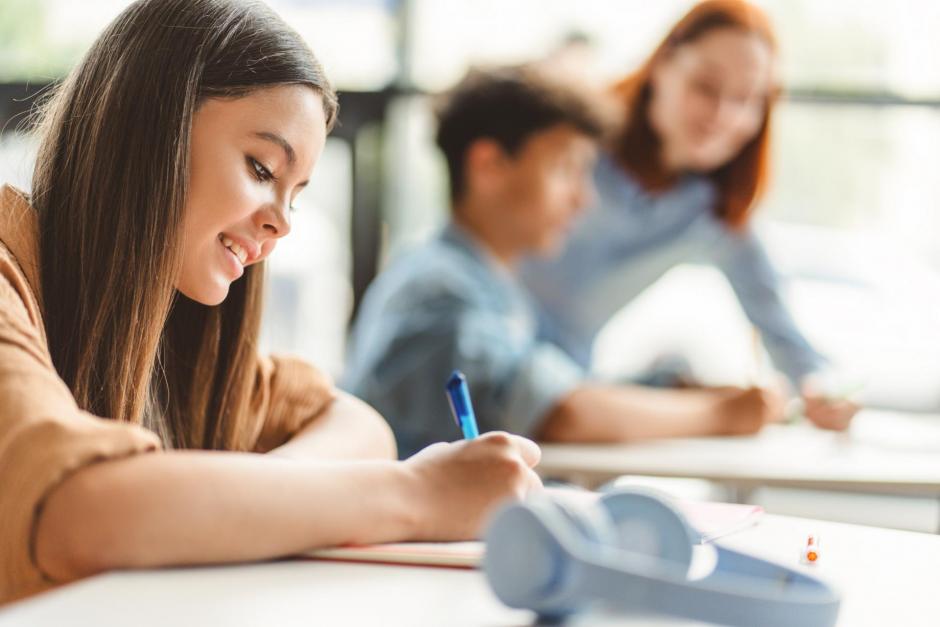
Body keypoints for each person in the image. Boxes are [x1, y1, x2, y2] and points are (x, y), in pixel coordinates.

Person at [0, 0, 541, 606]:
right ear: (150, 127)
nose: (282, 223)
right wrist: (416, 496)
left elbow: (355, 425)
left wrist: (224, 500)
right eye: (261, 168)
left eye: (296, 195)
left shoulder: (173, 327)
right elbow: (78, 514)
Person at [343, 66, 783, 460]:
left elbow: (567, 384)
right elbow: (559, 411)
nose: (583, 197)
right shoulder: (441, 290)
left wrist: (671, 388)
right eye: (565, 169)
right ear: (489, 166)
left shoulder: (490, 283)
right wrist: (720, 414)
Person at [521, 0, 858, 431]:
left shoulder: (713, 211)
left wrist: (825, 389)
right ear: (662, 65)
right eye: (706, 87)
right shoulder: (577, 149)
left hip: (565, 403)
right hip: (476, 372)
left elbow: (788, 337)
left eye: (746, 99)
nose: (722, 115)